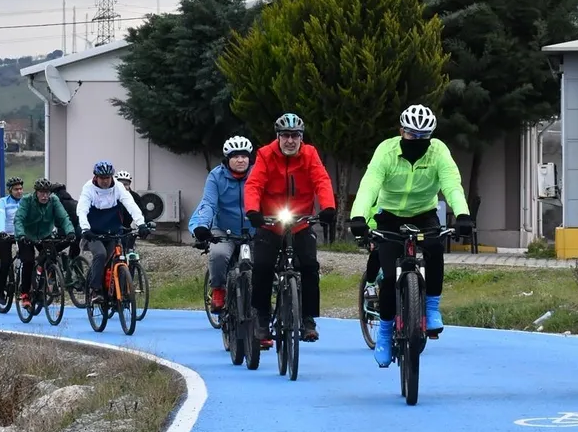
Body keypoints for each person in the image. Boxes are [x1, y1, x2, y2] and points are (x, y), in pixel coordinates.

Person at [348, 104, 473, 366]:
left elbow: (452, 184)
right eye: (411, 135)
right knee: (389, 276)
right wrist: (358, 216)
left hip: (424, 213)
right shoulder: (386, 151)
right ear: (401, 131)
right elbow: (369, 184)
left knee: (435, 249)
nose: (417, 140)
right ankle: (384, 334)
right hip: (390, 216)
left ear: (431, 136)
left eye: (423, 136)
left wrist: (462, 214)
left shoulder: (438, 152)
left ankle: (431, 307)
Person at [244, 113, 336, 343]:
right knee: (262, 267)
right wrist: (253, 211)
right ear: (278, 137)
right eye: (285, 135)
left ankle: (308, 319)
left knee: (310, 266)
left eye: (295, 136)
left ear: (301, 137)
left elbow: (322, 180)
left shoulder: (310, 154)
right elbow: (254, 185)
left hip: (300, 222)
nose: (290, 140)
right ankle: (262, 318)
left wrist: (328, 207)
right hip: (270, 223)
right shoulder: (265, 154)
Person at [187, 135, 255, 312]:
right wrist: (201, 226)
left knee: (265, 261)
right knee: (218, 254)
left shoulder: (258, 174)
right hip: (224, 229)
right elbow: (208, 203)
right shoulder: (216, 176)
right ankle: (218, 290)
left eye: (244, 156)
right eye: (235, 156)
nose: (240, 160)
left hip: (253, 230)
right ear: (228, 159)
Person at [77, 160, 149, 303]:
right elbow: (82, 209)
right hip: (94, 232)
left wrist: (141, 223)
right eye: (102, 178)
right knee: (101, 254)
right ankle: (95, 290)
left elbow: (130, 204)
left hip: (113, 230)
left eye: (108, 177)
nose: (105, 181)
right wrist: (85, 228)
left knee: (118, 257)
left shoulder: (118, 187)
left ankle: (118, 292)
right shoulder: (88, 188)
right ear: (96, 177)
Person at [13, 178, 76, 309]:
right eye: (41, 192)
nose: (45, 196)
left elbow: (64, 218)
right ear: (36, 193)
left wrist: (70, 231)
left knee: (50, 256)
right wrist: (21, 235)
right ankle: (25, 294)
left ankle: (42, 283)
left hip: (44, 234)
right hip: (27, 235)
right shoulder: (27, 200)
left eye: (47, 192)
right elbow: (19, 219)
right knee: (28, 261)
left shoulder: (54, 200)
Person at [0, 177, 24, 296]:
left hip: (20, 234)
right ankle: (1, 290)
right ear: (10, 190)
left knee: (27, 259)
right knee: (6, 262)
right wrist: (2, 231)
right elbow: (1, 216)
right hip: (4, 235)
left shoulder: (25, 202)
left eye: (21, 189)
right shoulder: (3, 202)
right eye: (16, 189)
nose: (19, 191)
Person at [49, 181, 82, 260]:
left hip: (65, 234)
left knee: (51, 251)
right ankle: (73, 263)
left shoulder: (57, 204)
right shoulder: (75, 202)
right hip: (79, 234)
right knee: (73, 257)